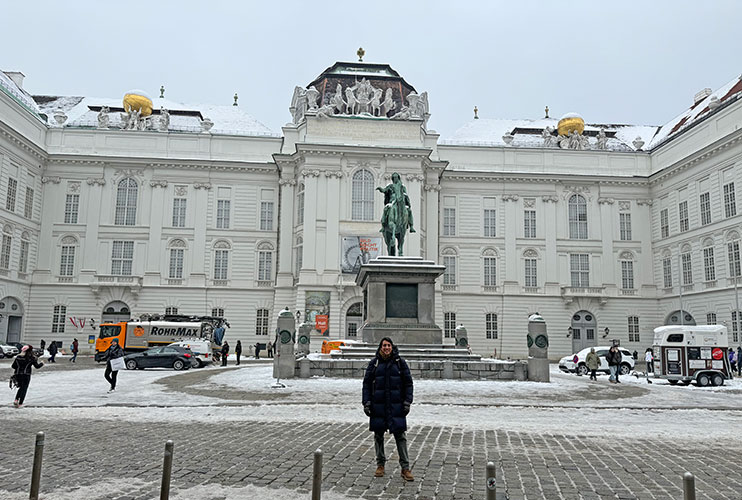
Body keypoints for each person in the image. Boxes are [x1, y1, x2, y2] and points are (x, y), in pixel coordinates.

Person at [362, 337, 414, 481]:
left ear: (392, 347)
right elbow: (366, 384)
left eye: (388, 345)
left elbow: (408, 383)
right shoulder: (374, 364)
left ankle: (405, 467)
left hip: (396, 405)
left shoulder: (400, 363)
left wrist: (407, 402)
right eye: (384, 345)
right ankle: (380, 465)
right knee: (378, 436)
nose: (386, 348)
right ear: (380, 347)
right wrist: (366, 402)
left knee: (400, 436)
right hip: (378, 405)